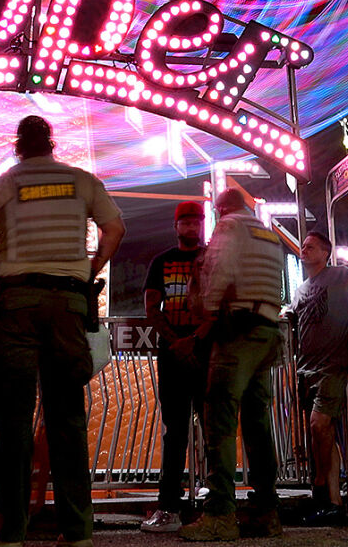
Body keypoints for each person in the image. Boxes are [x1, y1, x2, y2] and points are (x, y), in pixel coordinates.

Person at [0, 116, 126, 547]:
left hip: (15, 304)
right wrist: (91, 268)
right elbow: (115, 228)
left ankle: (11, 533)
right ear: (52, 144)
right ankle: (77, 533)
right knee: (66, 419)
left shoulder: (3, 185)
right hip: (68, 303)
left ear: (18, 146)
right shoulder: (81, 181)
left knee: (13, 422)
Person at [180, 188, 289, 541]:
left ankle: (220, 514)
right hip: (267, 331)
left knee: (220, 421)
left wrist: (208, 311)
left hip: (238, 332)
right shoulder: (268, 234)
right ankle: (267, 511)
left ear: (222, 208)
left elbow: (221, 269)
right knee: (258, 424)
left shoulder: (228, 227)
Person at [288, 231, 348, 522]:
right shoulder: (299, 291)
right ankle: (332, 503)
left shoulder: (342, 276)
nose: (304, 249)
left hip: (334, 363)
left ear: (326, 253)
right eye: (303, 246)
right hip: (307, 366)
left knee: (319, 424)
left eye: (311, 246)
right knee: (322, 432)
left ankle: (320, 483)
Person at [140, 201, 207, 533]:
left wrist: (191, 339)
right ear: (176, 225)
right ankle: (170, 503)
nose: (192, 227)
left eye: (197, 221)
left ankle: (213, 501)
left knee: (213, 429)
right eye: (187, 222)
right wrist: (177, 341)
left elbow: (220, 303)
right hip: (174, 354)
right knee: (175, 430)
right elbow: (152, 306)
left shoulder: (211, 259)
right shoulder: (161, 262)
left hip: (205, 351)